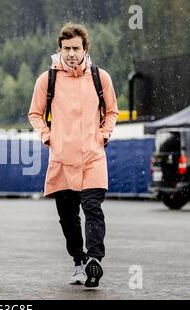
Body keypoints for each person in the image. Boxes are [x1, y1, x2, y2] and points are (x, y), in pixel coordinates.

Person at [28, 22, 118, 288]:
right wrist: (48, 136)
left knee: (92, 208)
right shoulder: (48, 79)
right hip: (62, 159)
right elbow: (34, 113)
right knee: (68, 217)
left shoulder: (100, 77)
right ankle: (79, 262)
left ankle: (95, 260)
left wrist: (104, 134)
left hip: (92, 157)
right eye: (66, 48)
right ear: (60, 48)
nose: (71, 54)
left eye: (76, 48)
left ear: (85, 48)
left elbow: (111, 111)